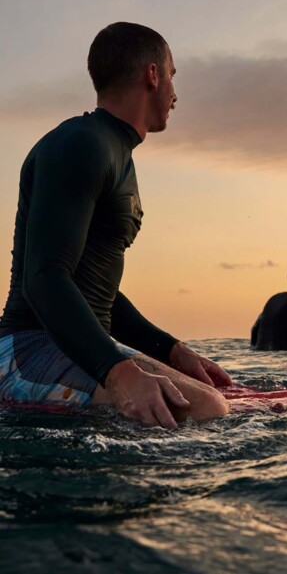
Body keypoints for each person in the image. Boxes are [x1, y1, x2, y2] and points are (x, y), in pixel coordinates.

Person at [0, 22, 232, 429]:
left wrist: (172, 351)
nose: (175, 93)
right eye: (173, 75)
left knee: (218, 399)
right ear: (152, 74)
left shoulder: (114, 152)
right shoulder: (81, 144)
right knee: (204, 410)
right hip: (25, 350)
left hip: (76, 347)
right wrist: (119, 373)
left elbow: (96, 293)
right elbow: (45, 278)